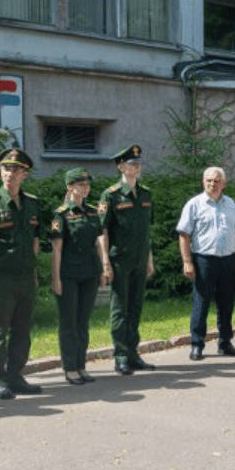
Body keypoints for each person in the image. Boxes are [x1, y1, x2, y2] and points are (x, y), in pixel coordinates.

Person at [0, 148, 46, 400]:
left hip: (26, 277)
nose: (9, 174)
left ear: (24, 174)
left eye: (15, 170)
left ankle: (16, 375)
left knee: (22, 329)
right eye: (6, 169)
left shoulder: (33, 204)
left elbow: (36, 239)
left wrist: (33, 269)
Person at [176, 166, 235, 361]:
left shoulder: (231, 204)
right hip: (204, 260)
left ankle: (225, 343)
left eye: (216, 181)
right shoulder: (194, 204)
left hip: (228, 261)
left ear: (224, 183)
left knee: (226, 303)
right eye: (208, 180)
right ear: (203, 182)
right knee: (201, 303)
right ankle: (197, 345)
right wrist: (187, 262)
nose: (212, 184)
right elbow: (184, 235)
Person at [97, 145, 155, 375]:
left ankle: (133, 354)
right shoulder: (110, 195)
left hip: (140, 259)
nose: (135, 168)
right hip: (119, 259)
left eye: (138, 164)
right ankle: (120, 355)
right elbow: (103, 231)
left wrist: (149, 260)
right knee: (120, 308)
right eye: (131, 164)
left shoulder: (146, 193)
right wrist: (105, 263)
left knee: (136, 307)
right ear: (120, 166)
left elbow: (146, 231)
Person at [50, 169, 105, 384]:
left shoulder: (93, 212)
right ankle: (70, 367)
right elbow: (57, 249)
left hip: (89, 273)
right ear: (69, 187)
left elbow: (98, 244)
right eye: (80, 184)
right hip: (69, 275)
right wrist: (56, 279)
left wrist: (101, 270)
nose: (85, 188)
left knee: (83, 321)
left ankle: (81, 365)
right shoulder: (60, 214)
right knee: (69, 322)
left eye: (87, 185)